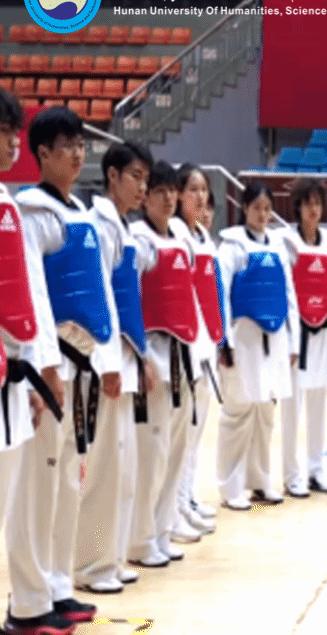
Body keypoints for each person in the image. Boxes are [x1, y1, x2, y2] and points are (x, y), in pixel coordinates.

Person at [10, 106, 122, 631]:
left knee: (67, 483)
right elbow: (32, 293)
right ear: (42, 153)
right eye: (66, 146)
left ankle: (57, 586)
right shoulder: (31, 213)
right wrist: (48, 367)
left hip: (83, 368)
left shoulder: (82, 213)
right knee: (38, 483)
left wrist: (106, 360)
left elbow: (98, 295)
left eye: (82, 145)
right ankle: (29, 600)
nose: (78, 155)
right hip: (48, 369)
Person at [0, 88, 66, 635]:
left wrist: (33, 377)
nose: (14, 141)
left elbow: (25, 299)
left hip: (12, 382)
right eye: (3, 131)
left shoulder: (6, 203)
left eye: (16, 131)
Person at [74, 141, 153, 594]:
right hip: (105, 363)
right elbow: (99, 301)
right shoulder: (99, 227)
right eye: (135, 177)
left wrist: (141, 358)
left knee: (124, 467)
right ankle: (90, 564)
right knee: (103, 467)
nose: (142, 187)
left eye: (146, 179)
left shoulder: (125, 229)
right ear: (112, 176)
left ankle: (113, 555)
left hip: (126, 358)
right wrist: (107, 365)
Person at [128, 161, 208, 568]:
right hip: (154, 358)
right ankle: (140, 539)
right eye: (160, 191)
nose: (169, 199)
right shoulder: (138, 240)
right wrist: (140, 356)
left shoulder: (183, 239)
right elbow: (131, 300)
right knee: (152, 453)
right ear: (147, 196)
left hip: (183, 356)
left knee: (176, 450)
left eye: (173, 192)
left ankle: (162, 530)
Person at [216, 183, 299, 510]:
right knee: (238, 412)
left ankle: (261, 480)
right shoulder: (231, 246)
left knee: (265, 412)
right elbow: (221, 294)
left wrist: (293, 340)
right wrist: (224, 340)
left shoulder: (278, 246)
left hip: (275, 338)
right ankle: (230, 486)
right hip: (243, 338)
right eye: (256, 208)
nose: (263, 215)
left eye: (267, 209)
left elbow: (289, 294)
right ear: (245, 208)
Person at [281, 178, 327, 498]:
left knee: (319, 404)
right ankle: (291, 475)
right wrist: (288, 339)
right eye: (308, 203)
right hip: (296, 337)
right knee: (292, 408)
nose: (313, 209)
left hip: (323, 334)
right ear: (298, 207)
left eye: (318, 203)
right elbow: (286, 293)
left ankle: (316, 471)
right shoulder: (286, 243)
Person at [172, 163, 223, 529]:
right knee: (182, 432)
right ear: (178, 194)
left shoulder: (204, 236)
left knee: (197, 429)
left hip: (206, 345)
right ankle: (173, 507)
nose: (200, 196)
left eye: (204, 189)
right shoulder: (177, 234)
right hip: (186, 346)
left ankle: (187, 497)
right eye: (193, 189)